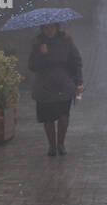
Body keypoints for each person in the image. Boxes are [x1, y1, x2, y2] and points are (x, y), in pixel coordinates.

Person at [28, 22, 83, 157]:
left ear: (56, 27)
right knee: (48, 118)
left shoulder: (65, 41)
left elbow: (76, 61)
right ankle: (52, 146)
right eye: (46, 28)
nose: (49, 30)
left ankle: (61, 144)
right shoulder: (38, 43)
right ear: (42, 29)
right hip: (44, 86)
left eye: (52, 27)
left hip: (63, 84)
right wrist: (41, 54)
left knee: (63, 116)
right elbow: (32, 66)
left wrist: (78, 82)